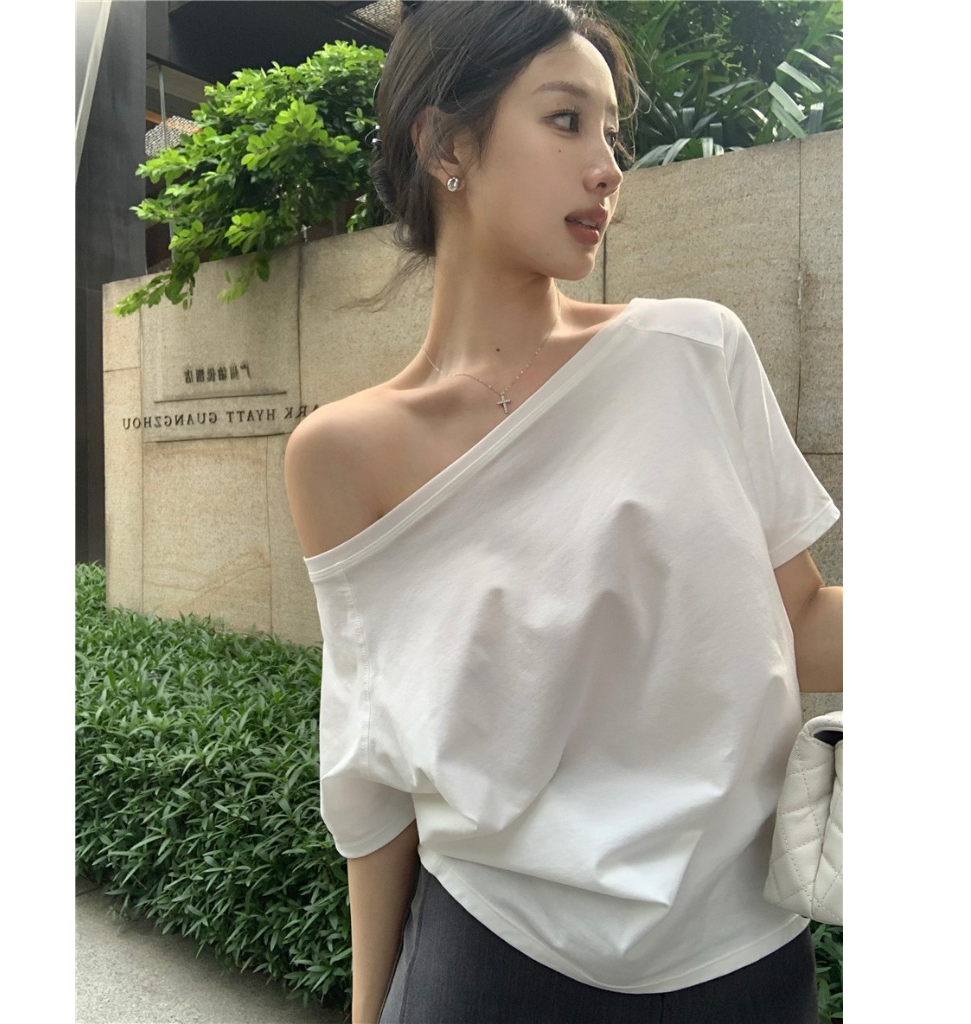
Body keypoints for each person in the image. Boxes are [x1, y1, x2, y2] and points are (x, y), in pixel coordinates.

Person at [284, 2, 843, 1022]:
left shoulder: (692, 353)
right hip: (488, 959)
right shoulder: (343, 453)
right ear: (447, 145)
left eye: (612, 132)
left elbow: (802, 620)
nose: (607, 167)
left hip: (739, 958)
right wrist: (370, 1009)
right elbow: (371, 767)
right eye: (565, 120)